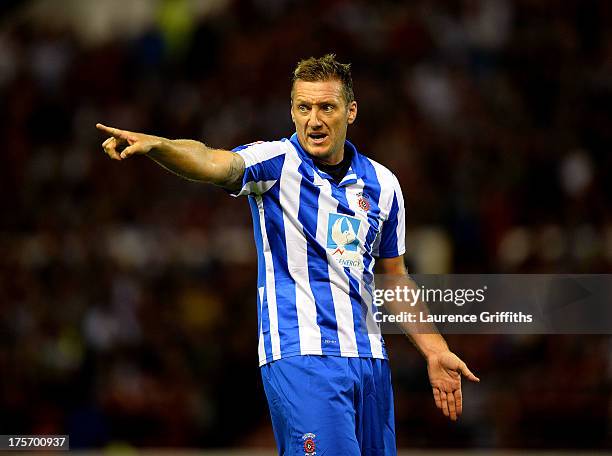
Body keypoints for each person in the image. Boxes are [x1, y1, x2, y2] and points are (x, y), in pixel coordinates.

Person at [97, 54, 479, 455]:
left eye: (326, 107)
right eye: (304, 107)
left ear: (350, 112)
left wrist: (436, 351)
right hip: (303, 357)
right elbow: (213, 161)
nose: (314, 119)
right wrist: (160, 146)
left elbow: (394, 277)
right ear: (292, 112)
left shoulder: (383, 185)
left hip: (370, 362)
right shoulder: (276, 163)